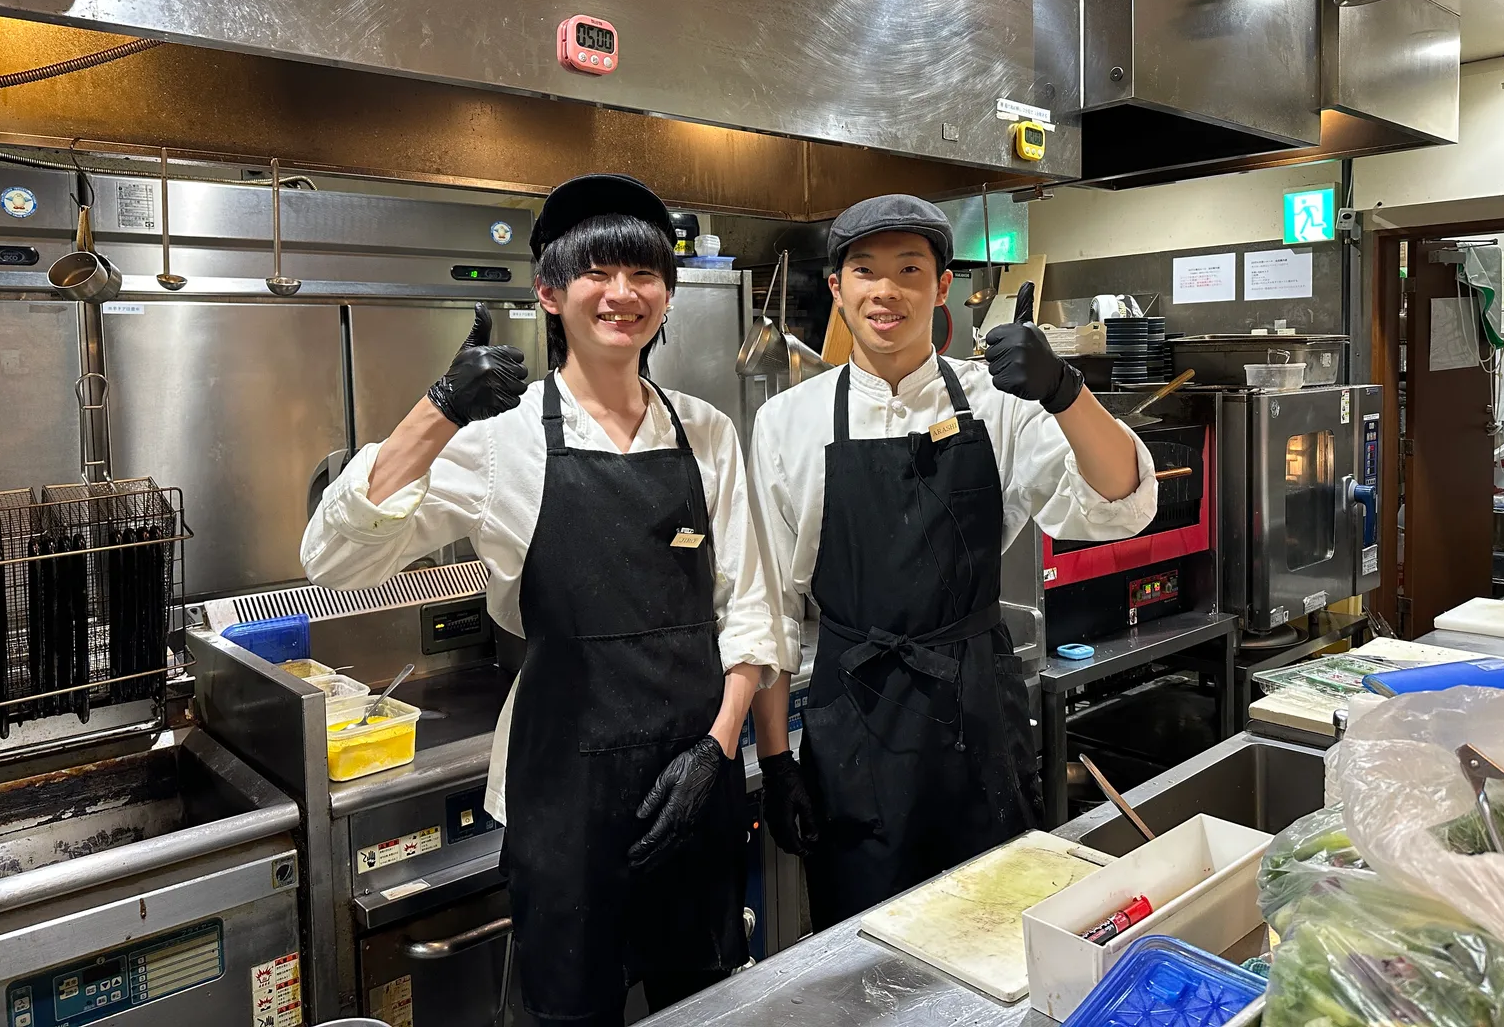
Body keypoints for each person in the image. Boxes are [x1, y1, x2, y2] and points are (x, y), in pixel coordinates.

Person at [301, 174, 779, 1025]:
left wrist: (718, 749)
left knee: (709, 1007)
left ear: (668, 295)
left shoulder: (706, 430)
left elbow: (748, 608)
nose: (623, 294)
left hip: (695, 785)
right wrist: (437, 411)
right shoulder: (499, 437)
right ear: (550, 293)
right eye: (597, 272)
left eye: (644, 274)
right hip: (564, 801)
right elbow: (332, 564)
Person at [747, 193, 1159, 929]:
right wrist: (777, 762)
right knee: (865, 947)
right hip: (854, 722)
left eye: (909, 269)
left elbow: (1121, 503)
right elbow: (770, 608)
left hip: (977, 718)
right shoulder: (788, 421)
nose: (886, 290)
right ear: (837, 288)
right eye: (865, 271)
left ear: (941, 287)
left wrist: (1065, 390)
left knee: (995, 930)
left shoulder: (1001, 404)